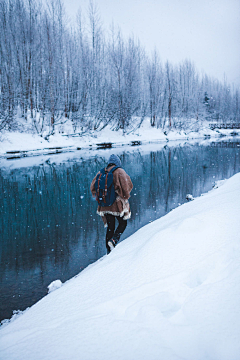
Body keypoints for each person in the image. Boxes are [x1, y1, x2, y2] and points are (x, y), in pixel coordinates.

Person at [90, 154, 133, 254]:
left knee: (110, 227)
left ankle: (108, 252)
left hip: (104, 205)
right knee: (123, 223)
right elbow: (128, 187)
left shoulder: (101, 172)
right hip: (116, 205)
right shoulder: (120, 171)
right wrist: (124, 196)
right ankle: (113, 241)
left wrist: (101, 196)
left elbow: (92, 188)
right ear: (118, 163)